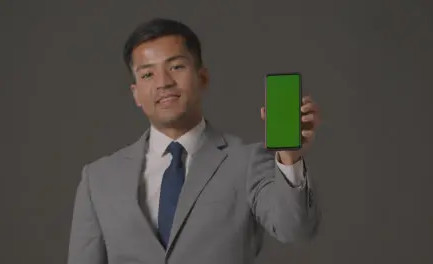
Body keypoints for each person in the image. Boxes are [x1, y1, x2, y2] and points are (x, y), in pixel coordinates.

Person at [67, 17, 322, 264]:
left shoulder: (246, 161)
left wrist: (290, 157)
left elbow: (295, 230)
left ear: (203, 78)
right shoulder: (98, 179)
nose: (164, 83)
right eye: (147, 75)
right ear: (136, 94)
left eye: (176, 67)